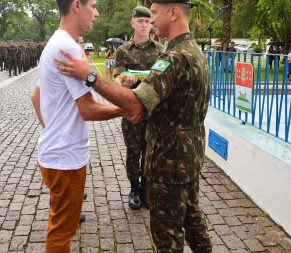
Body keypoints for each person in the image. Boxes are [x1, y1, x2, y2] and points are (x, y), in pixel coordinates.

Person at [55, 0, 213, 252]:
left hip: (169, 161)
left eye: (155, 14)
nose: (151, 21)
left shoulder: (175, 57)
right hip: (190, 156)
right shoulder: (194, 50)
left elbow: (136, 105)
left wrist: (90, 76)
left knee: (167, 234)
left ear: (173, 13)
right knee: (192, 217)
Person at [31, 1, 126, 252]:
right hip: (66, 159)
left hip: (55, 153)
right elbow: (88, 109)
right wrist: (126, 109)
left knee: (59, 224)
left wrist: (53, 130)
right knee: (62, 231)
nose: (97, 13)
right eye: (93, 6)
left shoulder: (56, 42)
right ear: (76, 5)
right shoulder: (68, 48)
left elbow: (36, 97)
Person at [113, 5, 163, 210]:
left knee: (150, 151)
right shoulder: (123, 51)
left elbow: (163, 78)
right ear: (133, 23)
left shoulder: (160, 50)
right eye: (140, 21)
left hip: (153, 110)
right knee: (133, 151)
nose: (144, 25)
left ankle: (146, 188)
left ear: (151, 24)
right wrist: (123, 81)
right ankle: (134, 189)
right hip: (132, 109)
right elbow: (117, 76)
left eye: (147, 21)